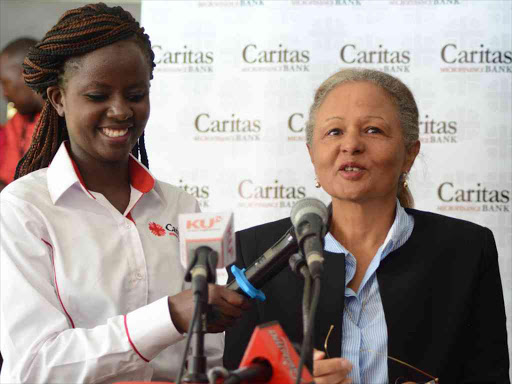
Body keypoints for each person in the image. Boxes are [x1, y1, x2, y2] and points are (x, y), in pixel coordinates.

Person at [0, 3, 249, 383]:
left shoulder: (185, 207)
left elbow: (208, 357)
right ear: (58, 99)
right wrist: (169, 316)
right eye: (98, 96)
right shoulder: (23, 210)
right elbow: (33, 367)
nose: (120, 111)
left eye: (135, 94)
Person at [224, 68, 510, 383]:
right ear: (312, 154)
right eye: (334, 132)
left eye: (373, 130)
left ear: (409, 155)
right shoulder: (256, 251)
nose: (351, 145)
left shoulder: (466, 249)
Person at [0, 37, 44, 191]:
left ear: (25, 74)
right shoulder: (17, 120)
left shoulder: (64, 122)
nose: (4, 93)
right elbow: (6, 178)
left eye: (5, 83)